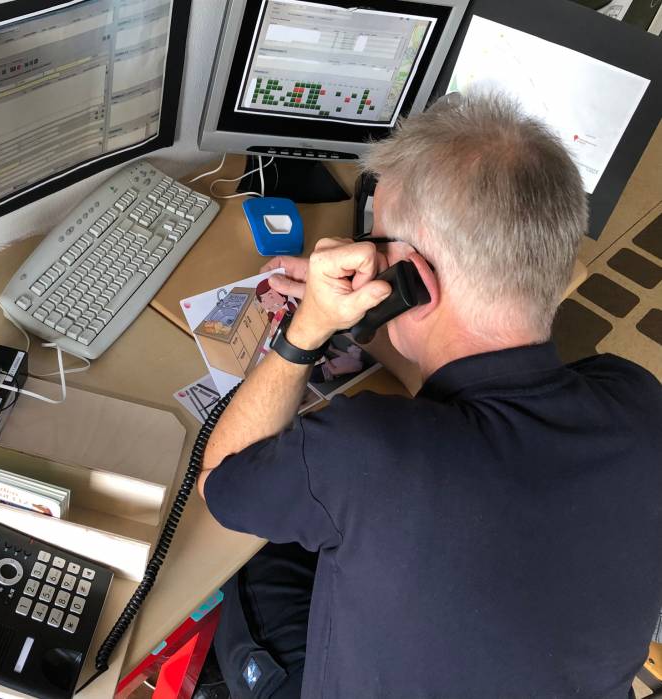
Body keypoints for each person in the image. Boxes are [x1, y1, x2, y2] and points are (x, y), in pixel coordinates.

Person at [197, 93, 662, 698]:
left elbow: (222, 483)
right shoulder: (637, 397)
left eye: (376, 242)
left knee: (255, 552)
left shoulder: (365, 452)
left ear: (412, 279)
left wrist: (307, 328)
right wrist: (374, 318)